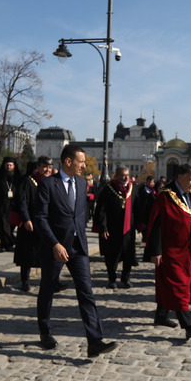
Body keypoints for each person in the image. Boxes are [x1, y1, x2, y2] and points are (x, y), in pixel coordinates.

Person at [34, 145, 116, 357]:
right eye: (81, 161)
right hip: (55, 248)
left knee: (86, 291)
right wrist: (54, 244)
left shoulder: (82, 183)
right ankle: (44, 332)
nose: (84, 165)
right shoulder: (47, 185)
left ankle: (95, 341)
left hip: (78, 247)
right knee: (47, 289)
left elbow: (78, 216)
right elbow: (40, 218)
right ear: (68, 161)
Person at [145, 163, 191, 339]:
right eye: (190, 179)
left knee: (169, 285)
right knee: (179, 287)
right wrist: (155, 251)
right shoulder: (165, 197)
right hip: (170, 251)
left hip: (188, 250)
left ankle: (161, 315)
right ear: (179, 177)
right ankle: (188, 326)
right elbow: (156, 225)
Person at [94, 166, 139, 289]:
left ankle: (126, 278)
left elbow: (137, 207)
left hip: (128, 229)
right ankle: (112, 278)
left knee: (128, 255)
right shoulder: (108, 189)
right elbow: (101, 211)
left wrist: (140, 224)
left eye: (127, 175)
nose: (125, 178)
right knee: (112, 256)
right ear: (116, 176)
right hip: (113, 229)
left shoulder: (133, 188)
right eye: (122, 175)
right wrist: (103, 228)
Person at [13, 156, 53, 291]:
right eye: (45, 167)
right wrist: (26, 219)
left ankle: (47, 282)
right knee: (27, 254)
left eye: (49, 167)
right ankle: (25, 281)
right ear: (39, 167)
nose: (47, 170)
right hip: (30, 223)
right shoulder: (29, 182)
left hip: (46, 224)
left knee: (46, 254)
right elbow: (22, 202)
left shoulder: (52, 182)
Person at [0, 157, 20, 252]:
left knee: (10, 227)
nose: (8, 167)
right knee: (3, 226)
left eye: (10, 165)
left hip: (14, 206)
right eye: (7, 165)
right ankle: (7, 243)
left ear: (14, 166)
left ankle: (7, 244)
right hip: (2, 206)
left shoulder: (18, 178)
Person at [134, 176, 158, 243]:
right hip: (143, 212)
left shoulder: (155, 190)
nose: (151, 183)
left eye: (152, 182)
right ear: (147, 182)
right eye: (150, 182)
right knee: (144, 229)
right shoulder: (141, 190)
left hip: (152, 212)